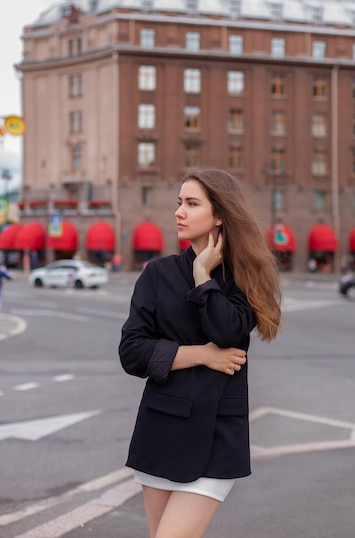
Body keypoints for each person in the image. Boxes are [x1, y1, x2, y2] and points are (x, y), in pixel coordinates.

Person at [119, 169, 282, 538]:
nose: (179, 211)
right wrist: (202, 356)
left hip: (216, 438)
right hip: (161, 429)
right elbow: (132, 352)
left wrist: (201, 273)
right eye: (180, 203)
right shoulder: (156, 274)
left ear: (220, 214)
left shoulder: (244, 279)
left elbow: (226, 331)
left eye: (192, 204)